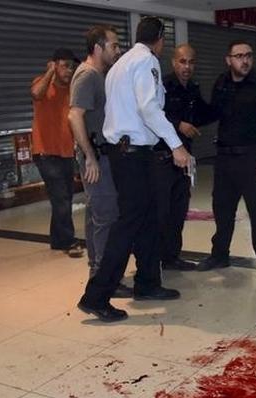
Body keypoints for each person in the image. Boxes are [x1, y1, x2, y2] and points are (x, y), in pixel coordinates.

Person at [77, 17, 191, 323]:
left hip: (130, 152)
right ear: (160, 39)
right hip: (131, 155)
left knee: (150, 217)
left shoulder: (121, 64)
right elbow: (149, 107)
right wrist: (176, 145)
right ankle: (96, 296)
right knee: (128, 223)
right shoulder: (145, 61)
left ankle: (148, 283)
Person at [195, 40, 256, 278]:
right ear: (228, 59)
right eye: (239, 56)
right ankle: (220, 255)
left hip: (253, 158)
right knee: (222, 210)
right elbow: (213, 112)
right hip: (224, 159)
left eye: (248, 56)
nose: (244, 61)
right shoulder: (221, 83)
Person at [67, 25, 132, 297]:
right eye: (113, 46)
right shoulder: (88, 75)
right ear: (98, 48)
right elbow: (74, 116)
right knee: (106, 217)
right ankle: (104, 281)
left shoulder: (97, 75)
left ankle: (97, 274)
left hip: (101, 154)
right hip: (97, 157)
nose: (117, 50)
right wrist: (90, 158)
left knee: (98, 218)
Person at [156, 44, 216, 271]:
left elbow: (202, 113)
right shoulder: (162, 86)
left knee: (178, 211)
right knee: (160, 212)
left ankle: (172, 257)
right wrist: (178, 124)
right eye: (183, 61)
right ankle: (154, 260)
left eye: (191, 62)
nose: (187, 66)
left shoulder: (192, 88)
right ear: (173, 62)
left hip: (186, 158)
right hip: (162, 158)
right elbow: (152, 114)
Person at [30, 48, 84, 258]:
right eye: (65, 66)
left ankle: (57, 239)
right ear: (53, 64)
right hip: (45, 151)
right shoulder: (42, 84)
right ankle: (68, 241)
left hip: (66, 153)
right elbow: (36, 94)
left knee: (64, 197)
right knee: (61, 197)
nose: (69, 71)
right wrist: (50, 73)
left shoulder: (72, 90)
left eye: (72, 67)